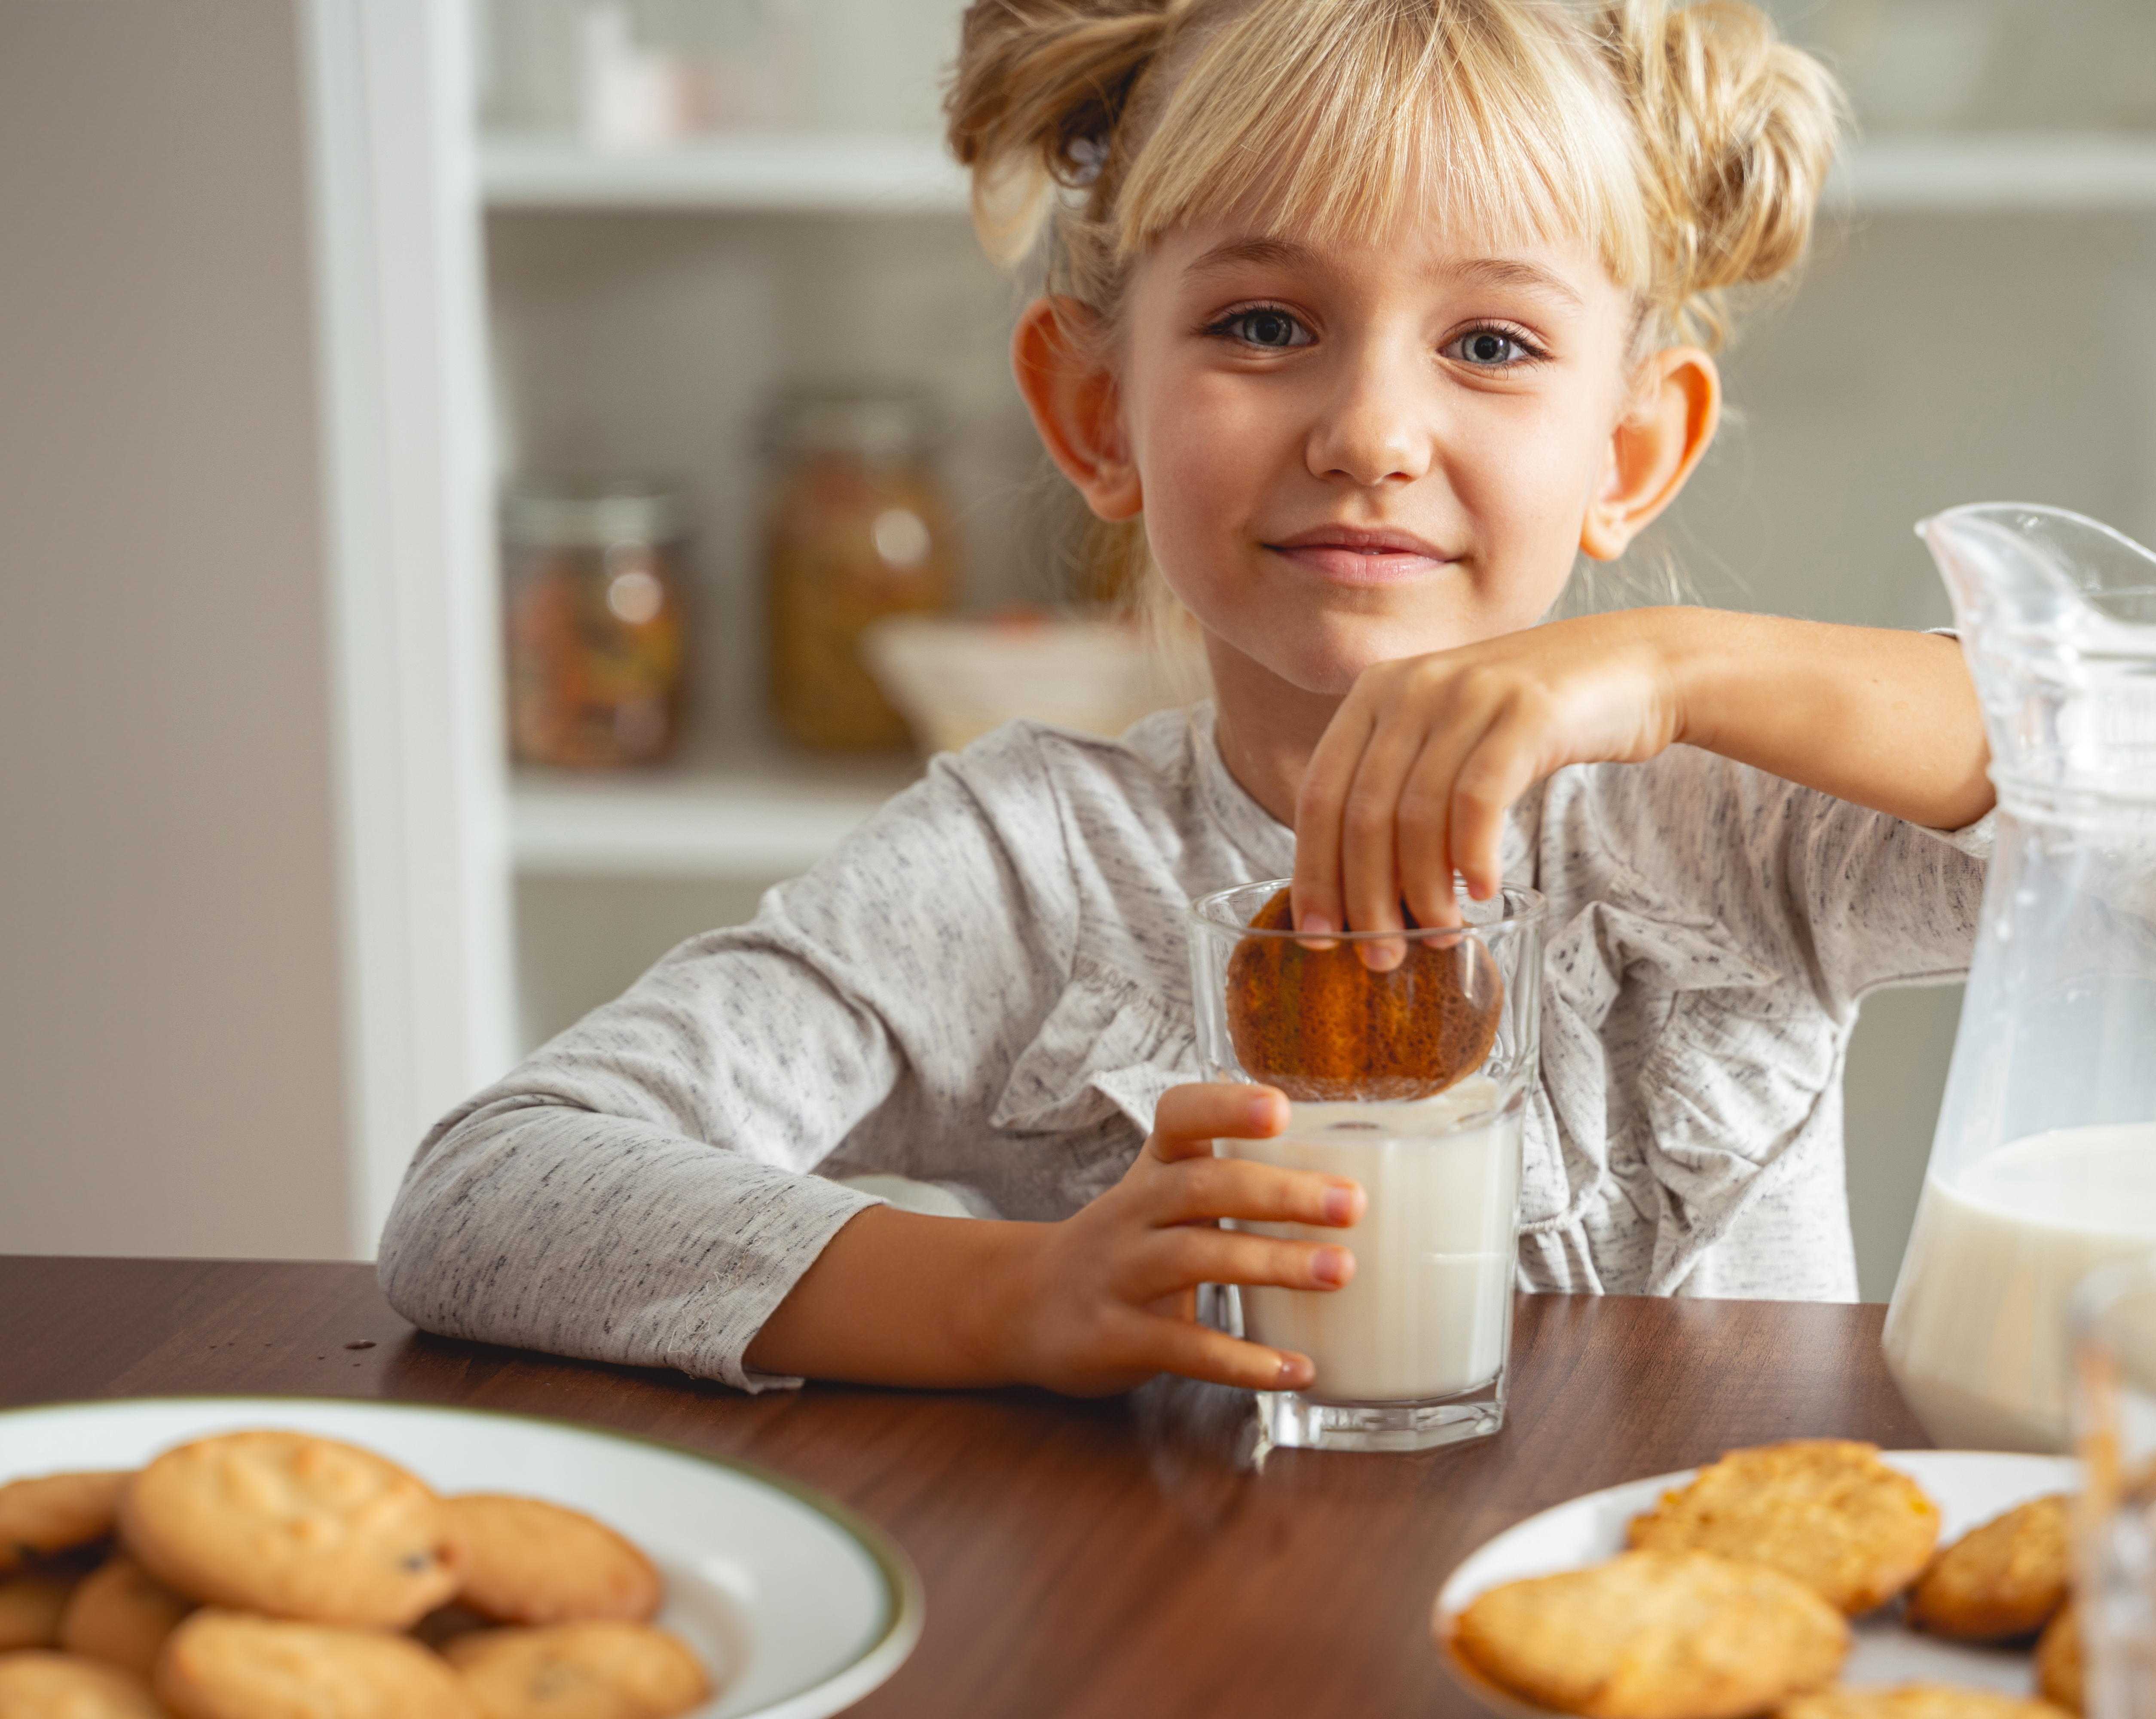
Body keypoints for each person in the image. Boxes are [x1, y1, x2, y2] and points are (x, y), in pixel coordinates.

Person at [377, 0, 1996, 1398]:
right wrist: (1008, 1302)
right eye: (1265, 324)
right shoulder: (1026, 872)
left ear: (1630, 454)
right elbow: (490, 1195)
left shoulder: (1748, 824)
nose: (1372, 431)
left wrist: (1682, 662)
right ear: (1096, 413)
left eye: (1491, 342)